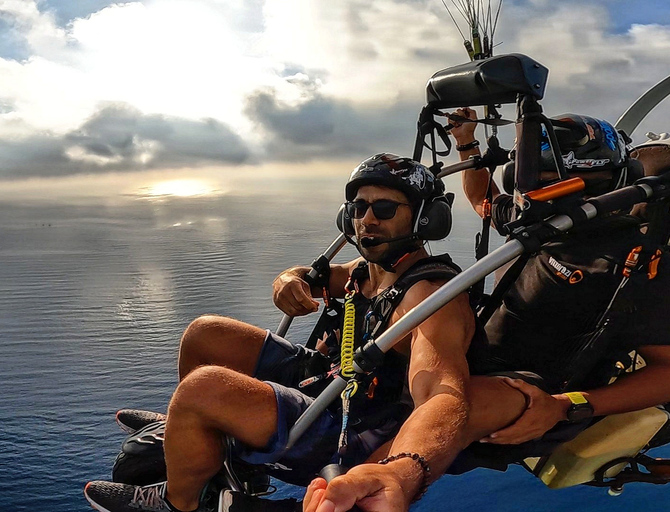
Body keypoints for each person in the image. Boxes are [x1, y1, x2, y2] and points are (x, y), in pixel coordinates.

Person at [83, 154, 488, 512]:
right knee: (203, 334)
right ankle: (189, 432)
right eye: (359, 207)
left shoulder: (432, 298)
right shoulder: (367, 271)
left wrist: (403, 470)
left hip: (351, 422)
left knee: (203, 388)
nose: (366, 219)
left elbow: (441, 393)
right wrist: (287, 280)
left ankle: (181, 501)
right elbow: (306, 276)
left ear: (424, 218)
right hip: (328, 378)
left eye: (383, 208)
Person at [444, 108, 670, 469]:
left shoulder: (641, 268)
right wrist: (466, 142)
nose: (536, 197)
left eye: (552, 186)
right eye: (533, 184)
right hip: (465, 364)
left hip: (524, 401)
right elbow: (480, 199)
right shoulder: (534, 220)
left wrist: (568, 406)